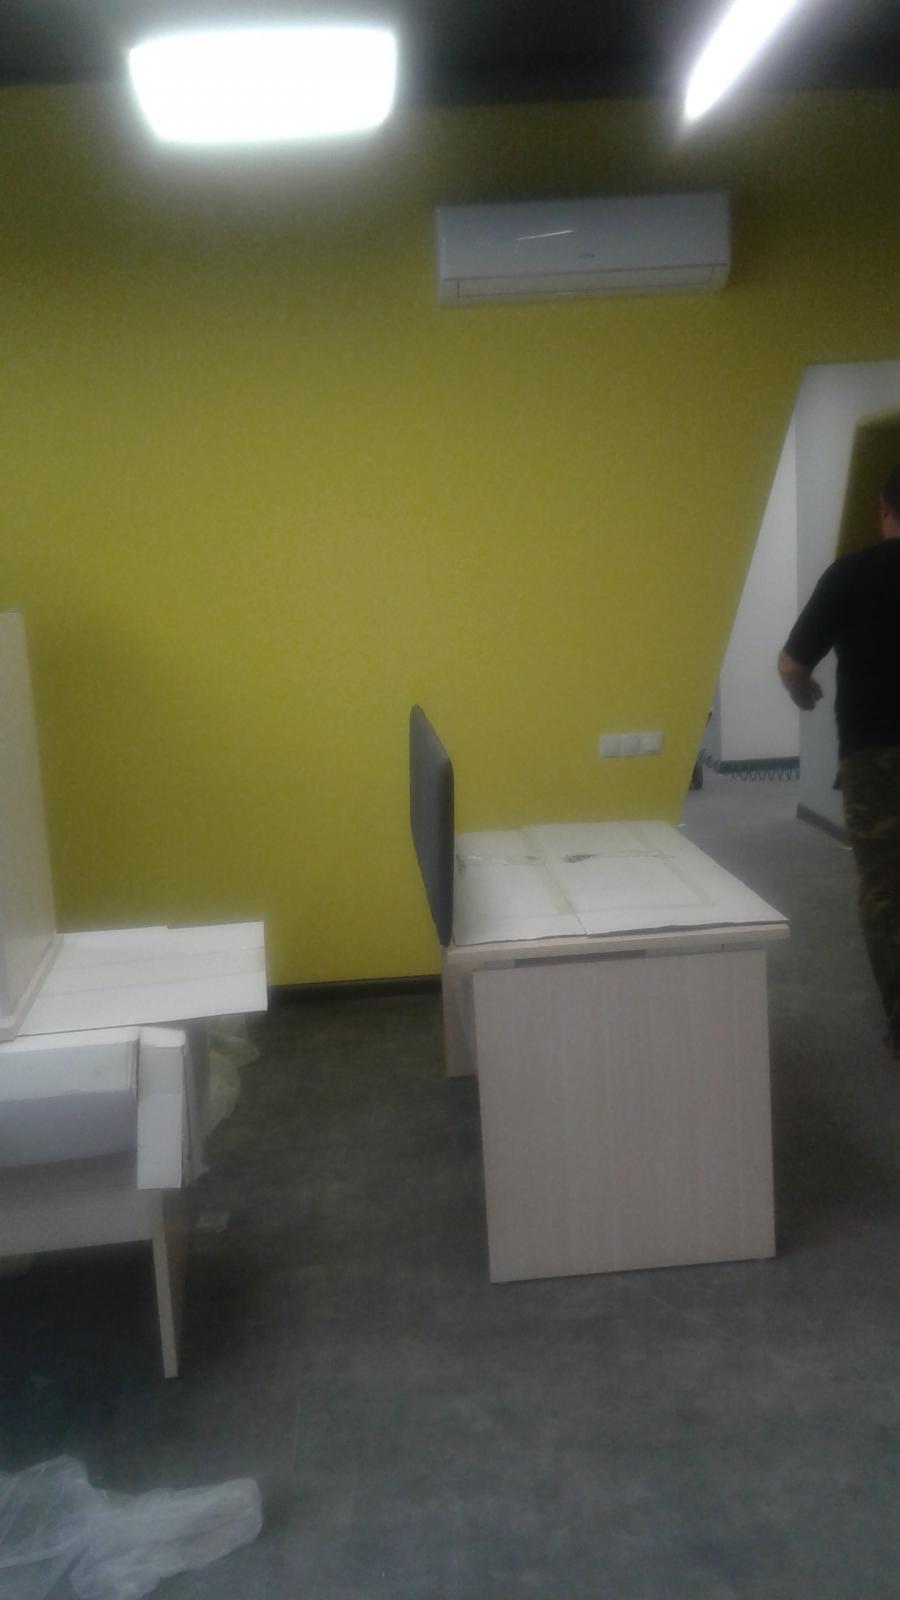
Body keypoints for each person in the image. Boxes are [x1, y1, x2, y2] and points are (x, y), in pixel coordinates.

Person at [778, 463, 900, 1054]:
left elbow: (792, 665)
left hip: (874, 756)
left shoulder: (851, 574)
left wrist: (805, 695)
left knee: (885, 889)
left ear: (884, 508)